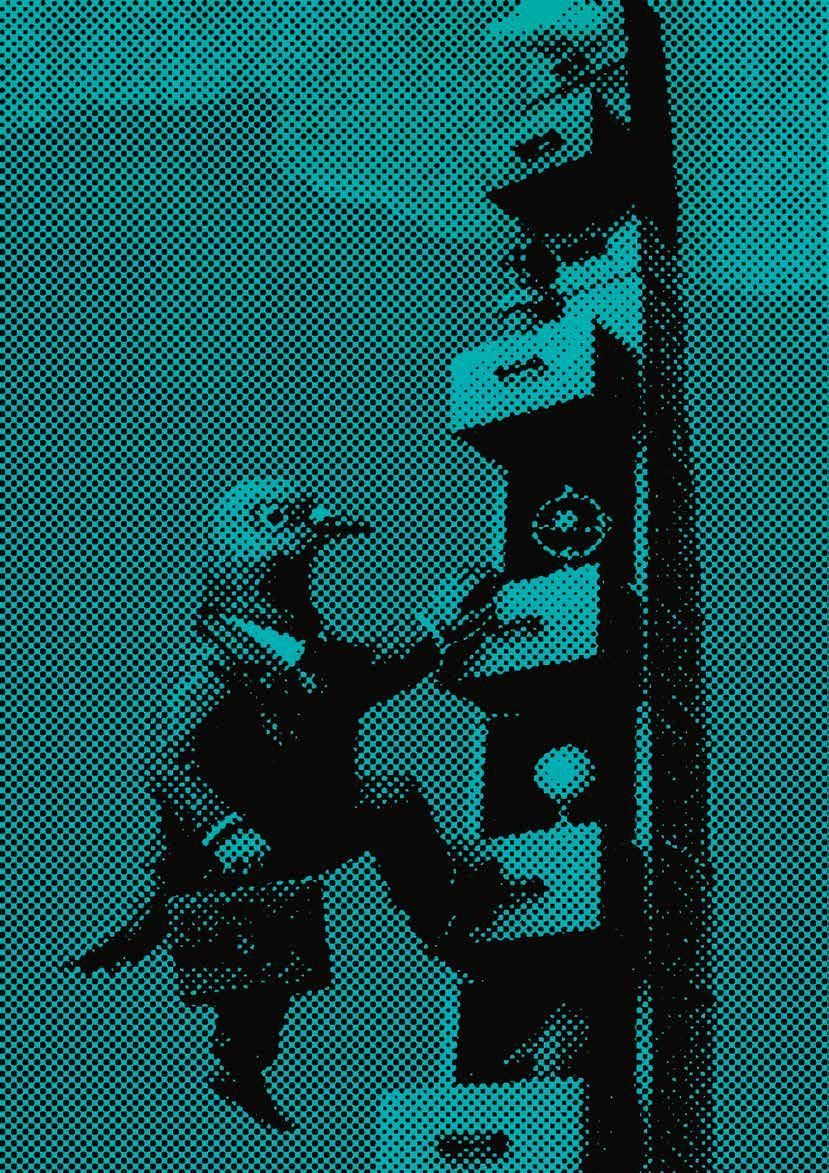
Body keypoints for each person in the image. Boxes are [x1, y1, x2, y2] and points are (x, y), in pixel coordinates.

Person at [70, 479, 530, 1128]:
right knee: (260, 950)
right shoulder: (216, 671)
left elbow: (372, 670)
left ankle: (448, 918)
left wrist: (437, 623)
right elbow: (171, 761)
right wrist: (225, 830)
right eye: (290, 524)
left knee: (388, 801)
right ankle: (237, 1057)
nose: (313, 540)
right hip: (229, 843)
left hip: (301, 818)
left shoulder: (308, 656)